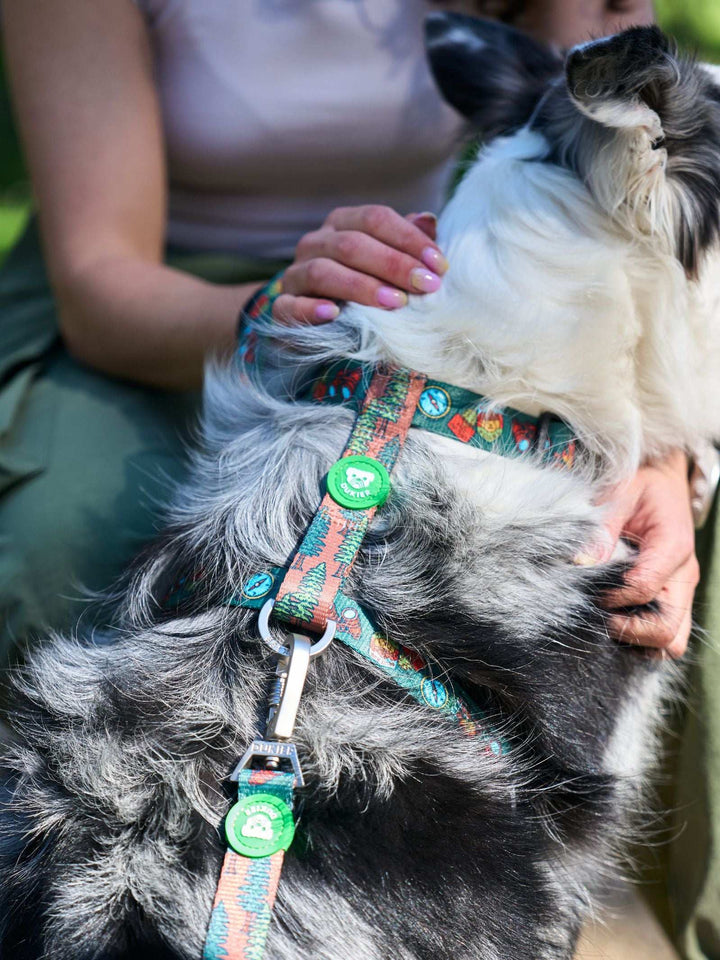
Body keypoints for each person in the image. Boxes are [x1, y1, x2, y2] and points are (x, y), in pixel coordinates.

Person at [0, 1, 714, 957]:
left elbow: (627, 203)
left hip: (462, 276)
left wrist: (667, 459)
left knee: (659, 575)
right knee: (62, 524)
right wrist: (279, 308)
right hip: (162, 299)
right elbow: (102, 286)